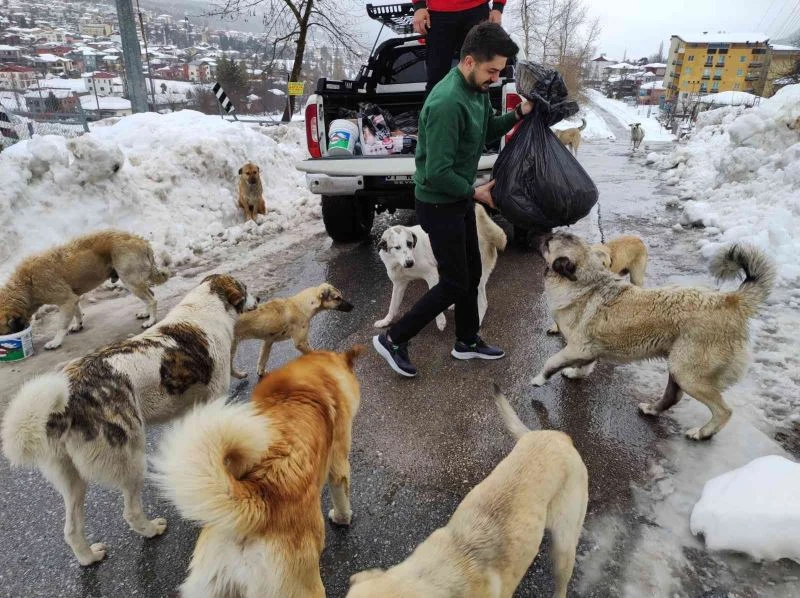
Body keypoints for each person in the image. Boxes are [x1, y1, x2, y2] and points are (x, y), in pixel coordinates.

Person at [373, 22, 533, 378]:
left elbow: (488, 130)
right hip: (439, 202)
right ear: (469, 61)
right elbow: (436, 173)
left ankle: (467, 341)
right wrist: (474, 192)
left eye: (500, 72)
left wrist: (519, 114)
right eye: (492, 70)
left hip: (458, 198)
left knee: (472, 271)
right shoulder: (447, 103)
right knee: (454, 282)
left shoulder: (475, 91)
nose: (495, 77)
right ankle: (394, 339)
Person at [412, 0, 506, 93]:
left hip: (477, 10)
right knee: (436, 79)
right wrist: (419, 6)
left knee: (479, 79)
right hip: (439, 14)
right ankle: (435, 107)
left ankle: (478, 108)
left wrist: (498, 7)